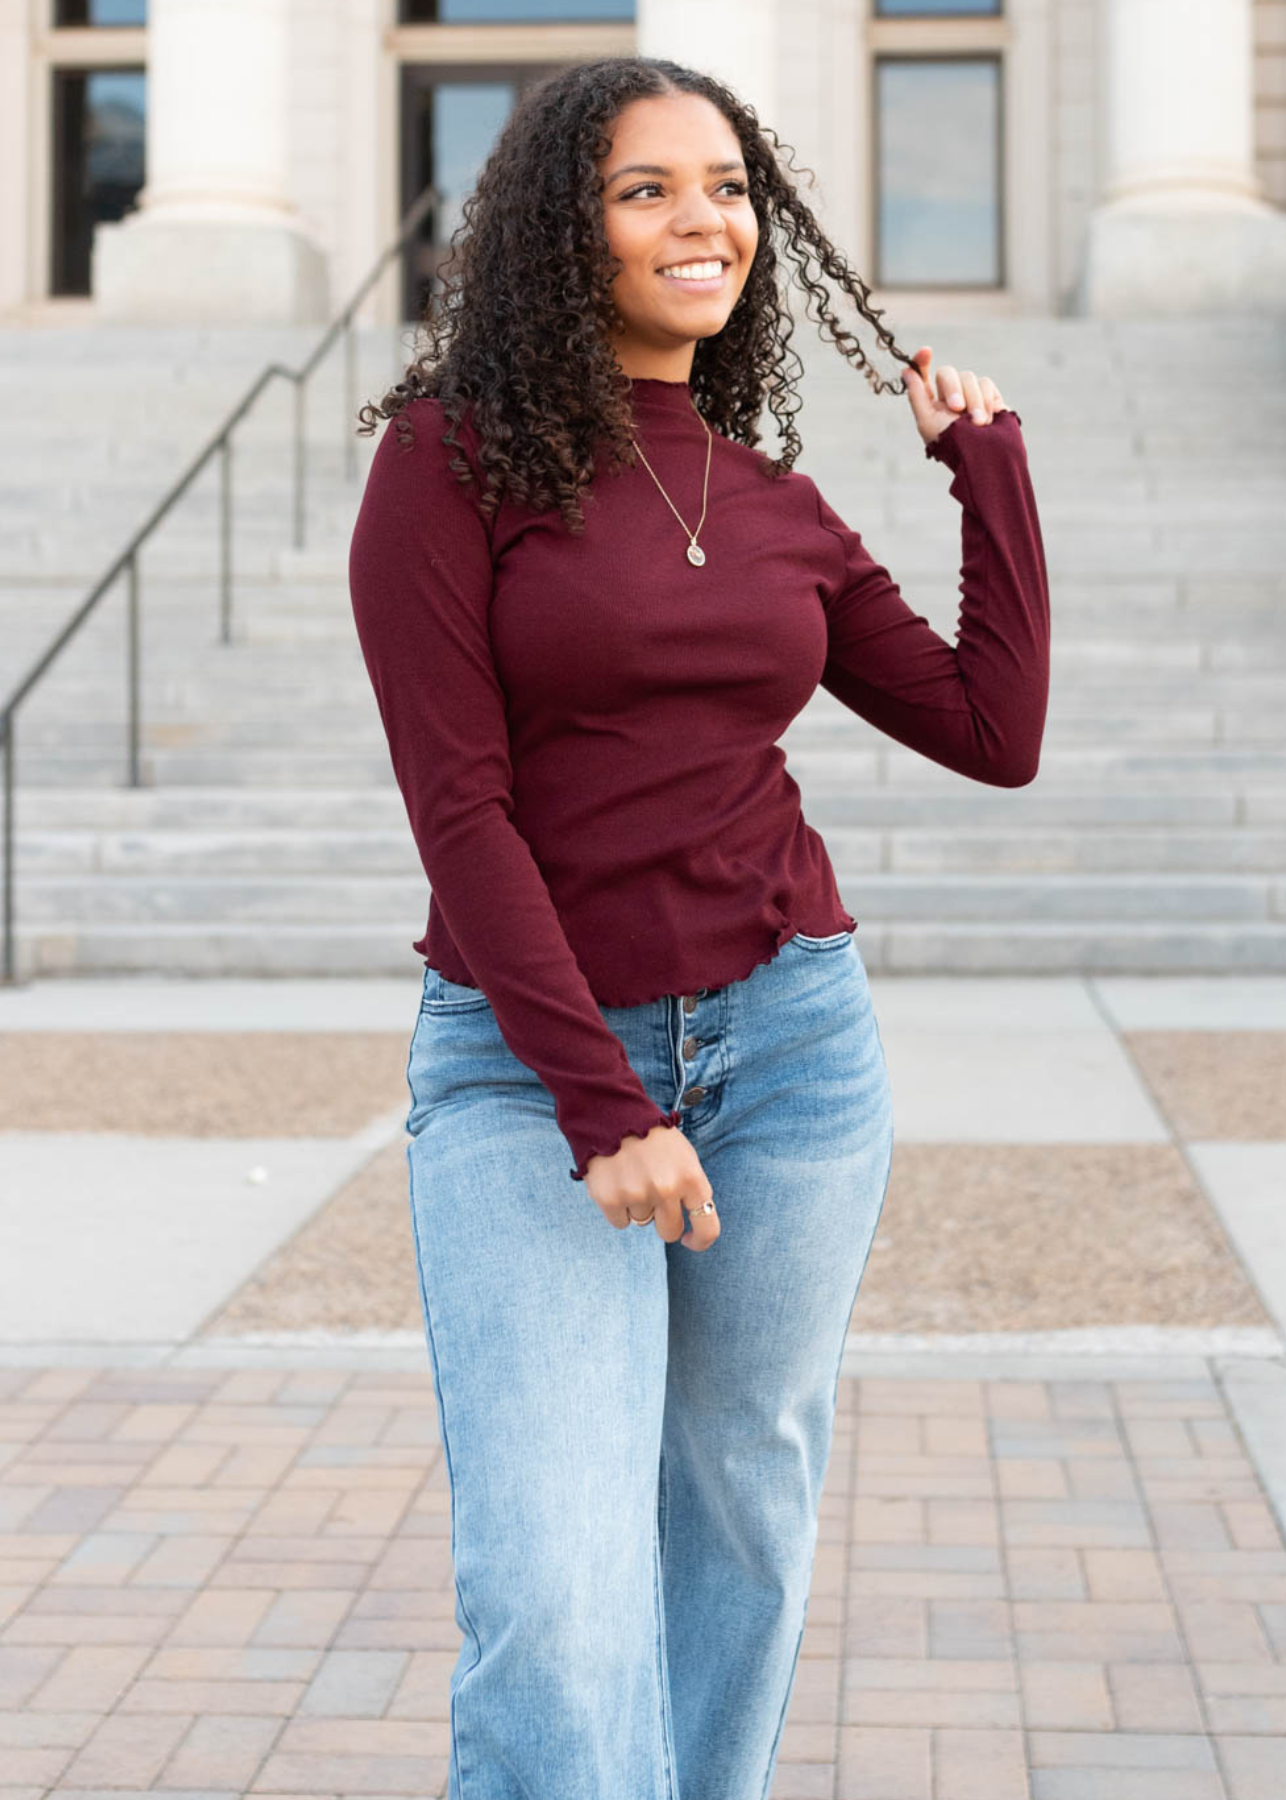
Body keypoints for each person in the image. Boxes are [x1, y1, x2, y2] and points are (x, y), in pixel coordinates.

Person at [348, 53, 1049, 1800]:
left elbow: (992, 732)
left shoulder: (773, 505)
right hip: (533, 1073)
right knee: (556, 1589)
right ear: (555, 231)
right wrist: (603, 1101)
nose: (701, 219)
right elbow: (462, 813)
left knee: (739, 1519)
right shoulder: (445, 463)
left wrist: (989, 473)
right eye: (645, 187)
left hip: (790, 1046)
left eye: (726, 185)